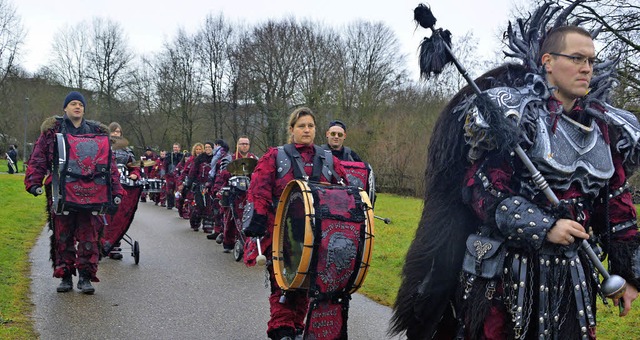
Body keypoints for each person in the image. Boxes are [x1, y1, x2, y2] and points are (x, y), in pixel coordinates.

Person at [390, 6, 640, 339]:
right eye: (577, 59)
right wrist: (545, 226)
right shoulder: (512, 114)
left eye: (591, 61)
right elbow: (482, 189)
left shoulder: (605, 128)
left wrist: (630, 275)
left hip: (572, 280)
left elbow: (616, 206)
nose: (586, 69)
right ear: (548, 62)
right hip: (509, 275)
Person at [242, 107, 348, 340]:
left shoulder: (329, 159)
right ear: (291, 130)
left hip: (319, 235)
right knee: (283, 284)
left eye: (310, 126)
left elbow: (345, 193)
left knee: (309, 285)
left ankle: (297, 325)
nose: (306, 130)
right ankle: (282, 328)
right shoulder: (275, 157)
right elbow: (258, 191)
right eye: (301, 126)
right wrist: (258, 219)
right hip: (282, 232)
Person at [24, 91, 124, 294]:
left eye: (80, 104)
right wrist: (34, 182)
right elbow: (39, 158)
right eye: (73, 104)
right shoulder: (53, 132)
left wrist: (116, 190)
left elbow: (108, 164)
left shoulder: (96, 132)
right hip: (61, 191)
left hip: (91, 191)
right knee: (63, 235)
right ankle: (66, 276)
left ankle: (86, 276)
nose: (77, 107)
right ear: (65, 108)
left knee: (89, 235)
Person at [209, 136, 259, 249]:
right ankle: (228, 241)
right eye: (242, 144)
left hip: (249, 192)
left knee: (249, 217)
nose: (244, 146)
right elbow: (222, 173)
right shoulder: (229, 158)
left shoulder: (254, 158)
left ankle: (247, 242)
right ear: (238, 145)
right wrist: (234, 172)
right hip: (233, 191)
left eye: (246, 143)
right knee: (230, 218)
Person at [102, 122, 142, 260]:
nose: (115, 134)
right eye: (113, 131)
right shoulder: (103, 147)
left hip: (123, 185)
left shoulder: (127, 151)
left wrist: (135, 174)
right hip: (105, 186)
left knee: (119, 215)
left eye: (118, 132)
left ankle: (114, 244)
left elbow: (134, 167)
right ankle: (103, 243)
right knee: (105, 216)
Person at [185, 141, 215, 232]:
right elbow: (193, 172)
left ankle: (208, 225)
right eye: (206, 147)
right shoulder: (199, 159)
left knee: (209, 206)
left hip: (211, 185)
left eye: (209, 147)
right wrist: (189, 183)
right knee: (199, 205)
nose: (207, 149)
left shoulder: (216, 159)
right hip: (200, 184)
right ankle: (195, 221)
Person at [177, 143, 204, 219]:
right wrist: (181, 182)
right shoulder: (191, 160)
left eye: (200, 149)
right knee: (189, 200)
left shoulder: (205, 159)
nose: (198, 151)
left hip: (202, 183)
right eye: (197, 149)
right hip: (191, 183)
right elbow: (185, 171)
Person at [164, 143, 183, 210]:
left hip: (179, 175)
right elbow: (165, 165)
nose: (175, 149)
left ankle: (178, 204)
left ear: (179, 148)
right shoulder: (169, 155)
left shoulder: (182, 156)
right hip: (170, 175)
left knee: (178, 190)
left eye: (176, 147)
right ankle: (170, 204)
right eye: (174, 147)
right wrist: (165, 174)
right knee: (169, 190)